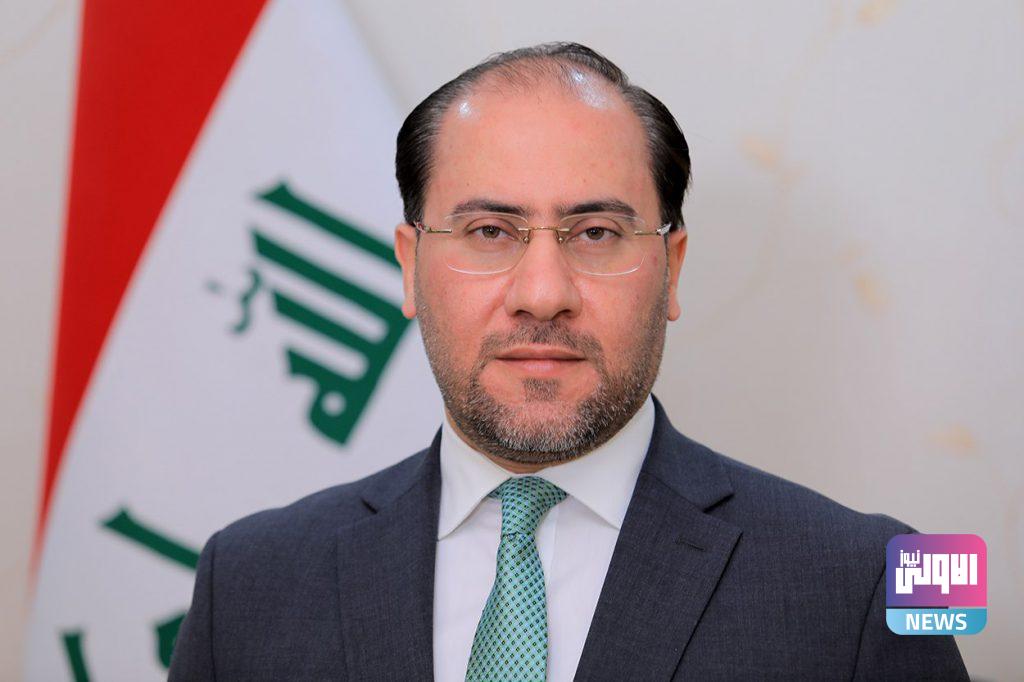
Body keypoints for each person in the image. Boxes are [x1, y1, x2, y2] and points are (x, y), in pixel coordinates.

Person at [169, 42, 968, 680]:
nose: (543, 294)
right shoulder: (246, 583)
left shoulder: (878, 579)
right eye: (489, 232)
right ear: (410, 269)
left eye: (596, 234)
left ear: (671, 270)